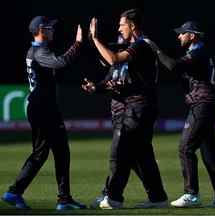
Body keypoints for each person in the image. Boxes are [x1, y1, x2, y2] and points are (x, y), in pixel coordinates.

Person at [1, 16, 86, 210]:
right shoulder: (40, 51)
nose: (53, 30)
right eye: (50, 28)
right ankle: (58, 199)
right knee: (54, 152)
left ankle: (17, 193)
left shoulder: (36, 50)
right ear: (41, 30)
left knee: (48, 152)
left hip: (41, 107)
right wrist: (78, 44)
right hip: (43, 109)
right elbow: (61, 62)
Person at [88, 9, 168, 209]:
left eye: (121, 24)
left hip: (138, 107)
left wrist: (95, 39)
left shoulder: (141, 45)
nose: (119, 28)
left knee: (120, 150)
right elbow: (119, 76)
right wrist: (97, 87)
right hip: (135, 107)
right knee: (141, 155)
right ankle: (158, 197)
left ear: (132, 25)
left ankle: (113, 197)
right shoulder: (134, 48)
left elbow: (114, 59)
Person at [149, 21, 215, 208]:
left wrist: (154, 49)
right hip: (205, 105)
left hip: (202, 106)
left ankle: (191, 194)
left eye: (182, 33)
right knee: (209, 153)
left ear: (192, 36)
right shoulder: (198, 53)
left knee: (185, 148)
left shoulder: (197, 54)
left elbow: (172, 66)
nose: (179, 36)